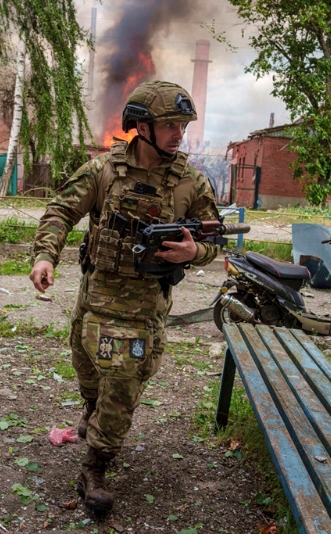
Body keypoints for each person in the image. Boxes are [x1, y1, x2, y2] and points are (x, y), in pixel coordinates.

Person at [29, 81, 220, 512]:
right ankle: (90, 411)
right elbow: (62, 209)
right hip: (95, 296)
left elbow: (215, 240)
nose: (178, 134)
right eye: (170, 124)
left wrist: (195, 251)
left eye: (182, 125)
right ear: (140, 126)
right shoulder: (105, 170)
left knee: (122, 383)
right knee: (86, 365)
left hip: (145, 308)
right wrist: (45, 256)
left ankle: (95, 466)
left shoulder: (191, 182)